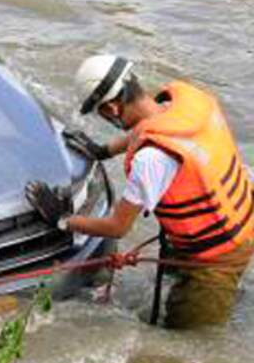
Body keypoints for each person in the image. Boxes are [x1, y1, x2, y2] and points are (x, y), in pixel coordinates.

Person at [26, 54, 254, 329]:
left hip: (214, 259)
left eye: (101, 112)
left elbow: (117, 226)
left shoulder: (151, 159)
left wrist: (62, 219)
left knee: (187, 339)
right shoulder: (189, 101)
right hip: (238, 221)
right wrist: (103, 151)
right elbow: (149, 129)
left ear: (111, 109)